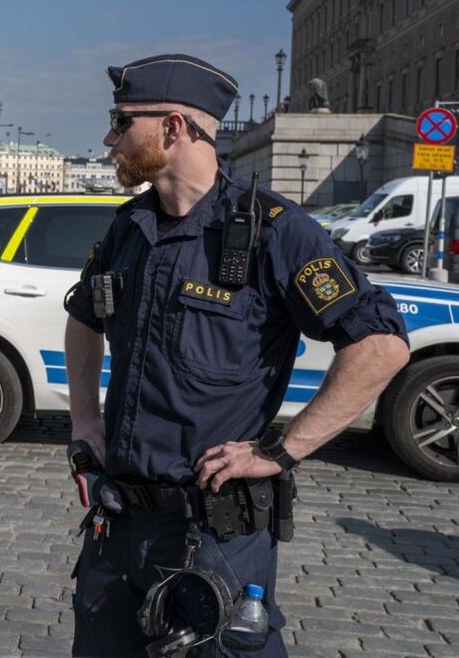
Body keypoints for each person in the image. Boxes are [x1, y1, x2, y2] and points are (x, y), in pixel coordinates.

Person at [64, 54, 409, 658]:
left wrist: (282, 449)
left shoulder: (276, 231)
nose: (108, 138)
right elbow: (83, 317)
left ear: (172, 127)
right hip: (118, 525)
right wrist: (84, 419)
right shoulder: (130, 227)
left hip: (216, 538)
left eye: (121, 123)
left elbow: (380, 344)